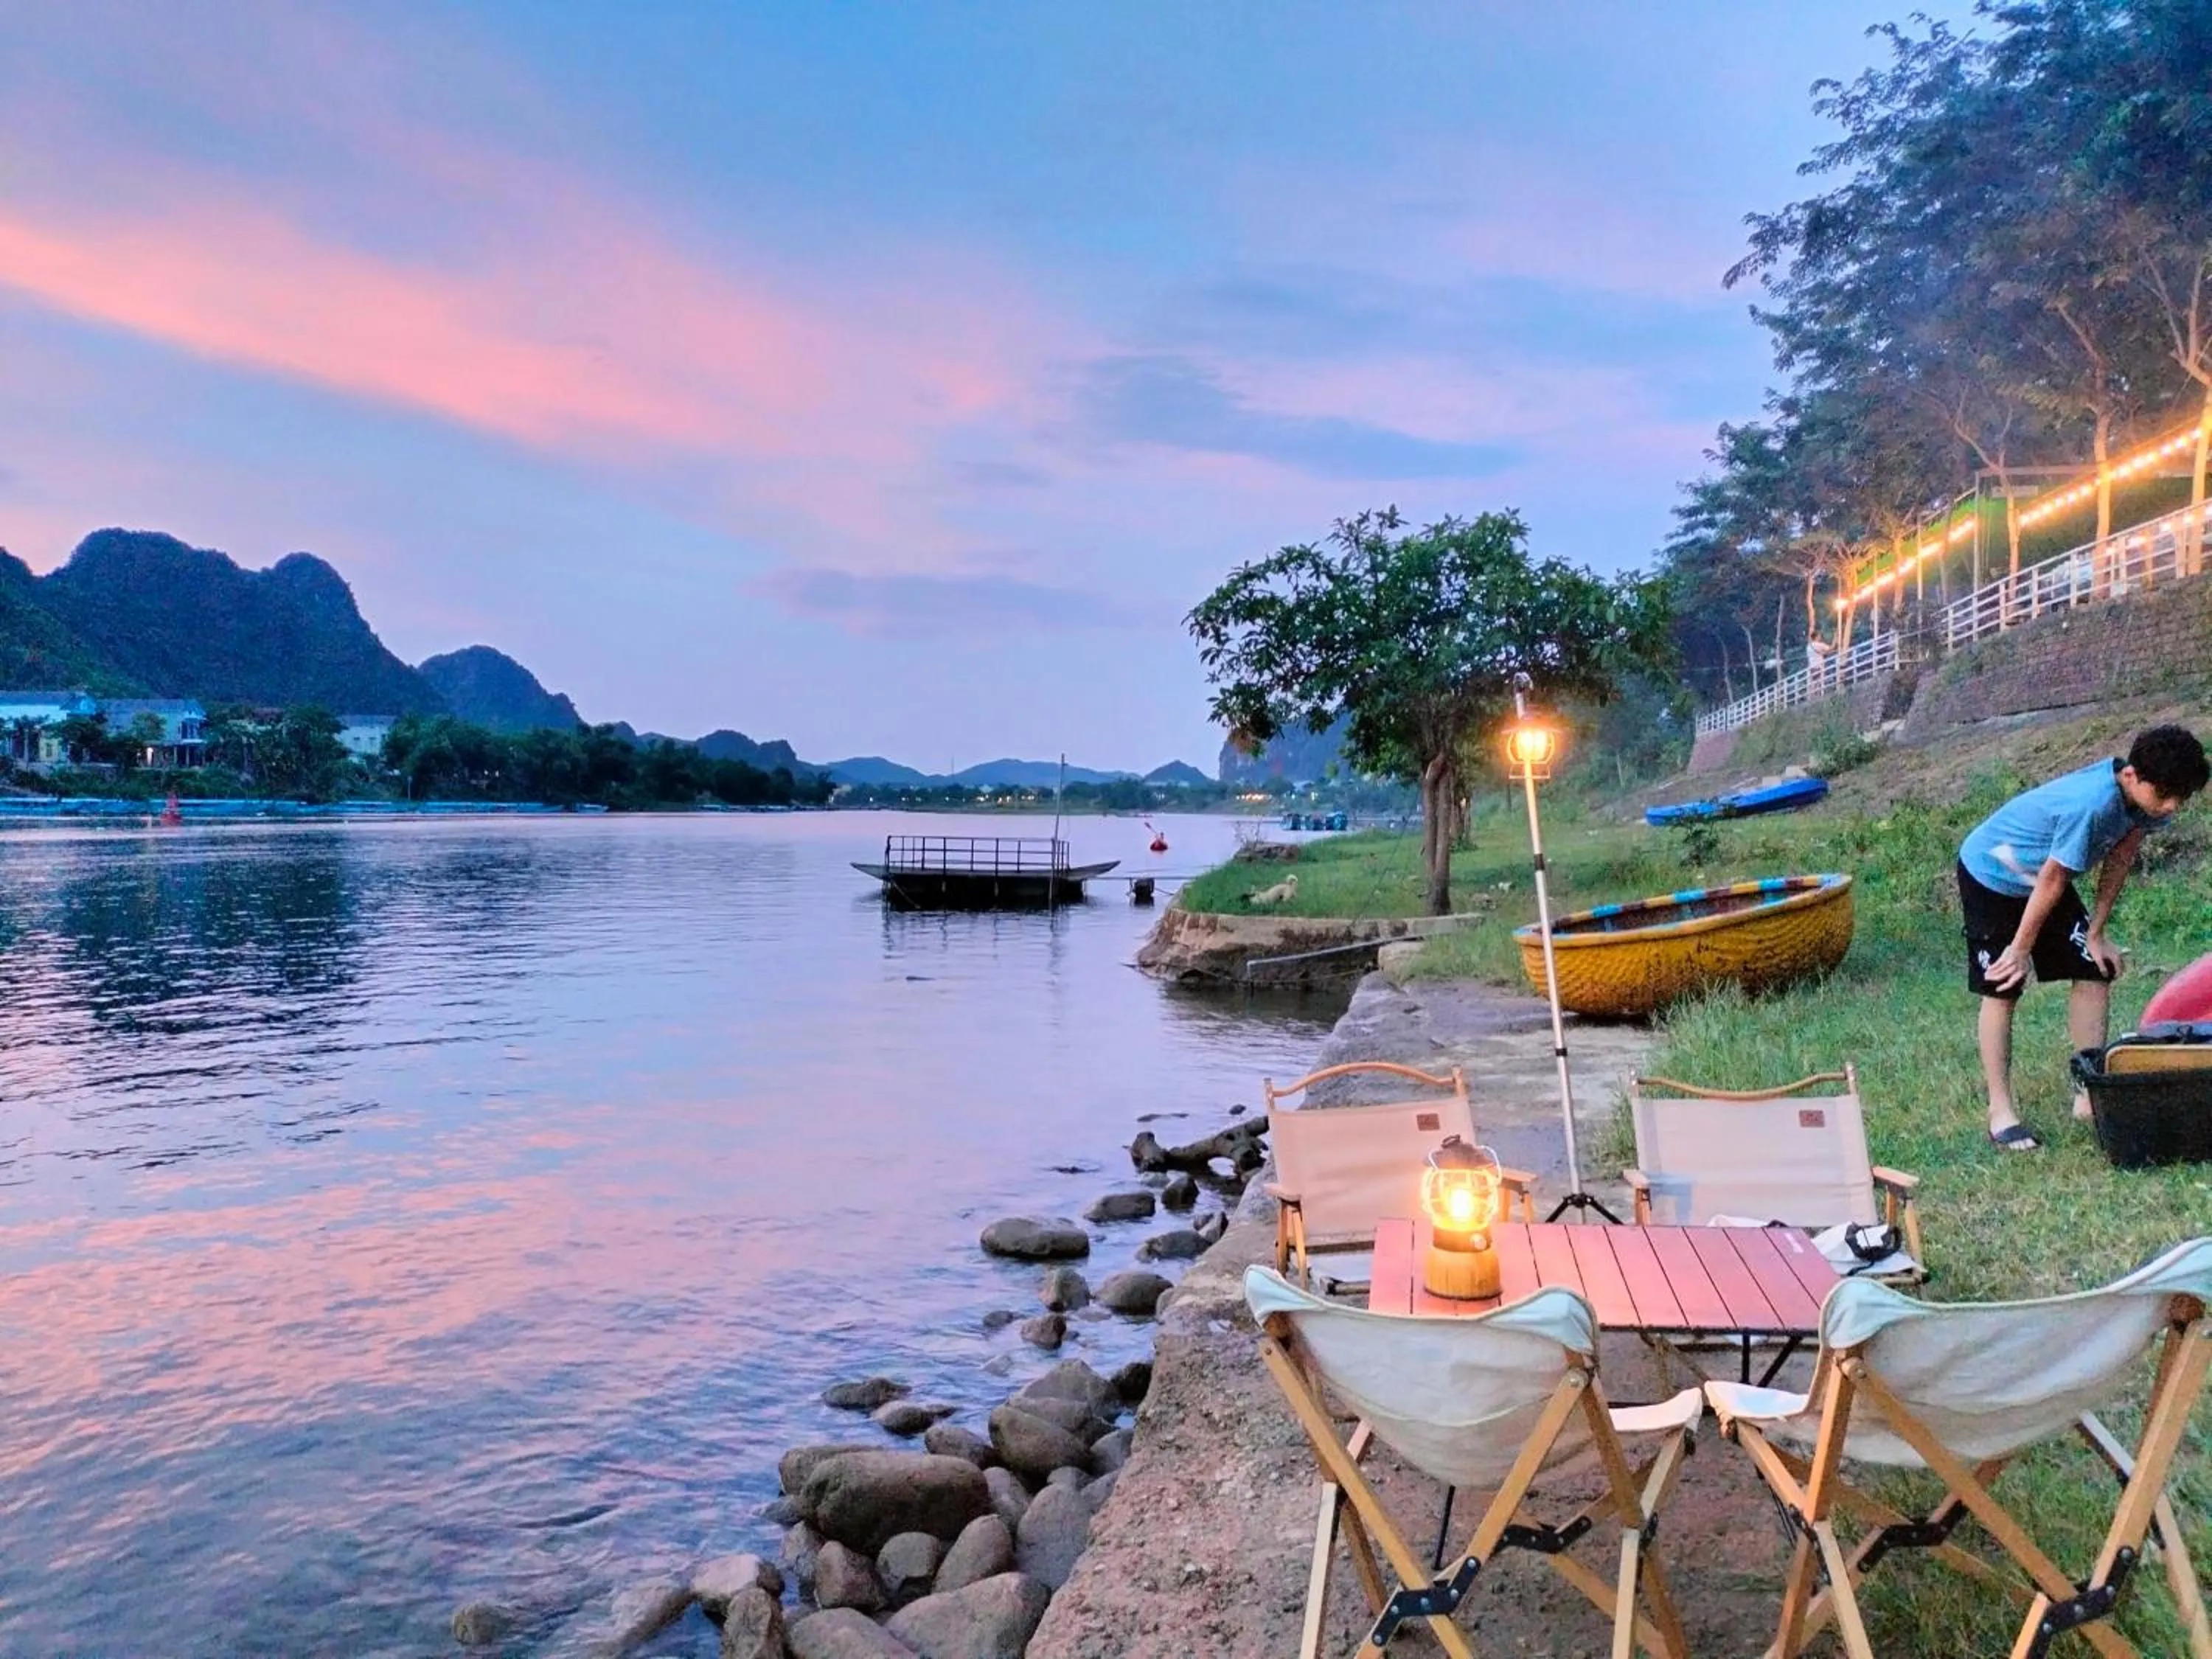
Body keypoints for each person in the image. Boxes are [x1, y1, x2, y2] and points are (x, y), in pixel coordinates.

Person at [1958, 724, 2209, 1150]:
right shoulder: (2091, 806)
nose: (2170, 807)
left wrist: (2096, 932)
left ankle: (2088, 1092)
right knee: (2004, 984)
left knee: (2095, 967)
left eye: (2180, 798)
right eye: (2165, 795)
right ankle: (2000, 1112)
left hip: (2043, 877)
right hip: (1993, 873)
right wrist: (2020, 950)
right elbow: (2054, 877)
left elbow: (2121, 857)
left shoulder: (2143, 803)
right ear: (2131, 776)